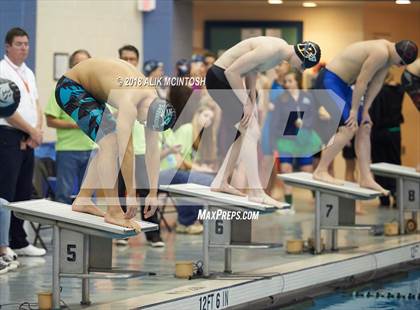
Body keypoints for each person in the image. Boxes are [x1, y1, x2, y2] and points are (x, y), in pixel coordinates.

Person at [55, 58, 176, 231]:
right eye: (144, 121)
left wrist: (153, 192)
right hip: (70, 87)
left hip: (90, 91)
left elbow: (152, 150)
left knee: (108, 141)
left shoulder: (154, 103)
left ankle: (83, 199)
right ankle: (113, 209)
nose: (143, 124)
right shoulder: (130, 100)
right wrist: (131, 194)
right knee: (110, 143)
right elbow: (126, 149)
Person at [205, 37, 321, 206]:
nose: (302, 70)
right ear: (300, 55)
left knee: (244, 133)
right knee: (251, 131)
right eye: (304, 65)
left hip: (226, 79)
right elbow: (232, 72)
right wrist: (246, 102)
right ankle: (256, 192)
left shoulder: (279, 53)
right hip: (220, 78)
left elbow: (252, 71)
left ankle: (221, 181)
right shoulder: (272, 50)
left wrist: (251, 99)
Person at [313, 39, 418, 193]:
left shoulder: (389, 57)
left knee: (365, 126)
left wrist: (366, 110)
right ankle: (320, 170)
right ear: (398, 53)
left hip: (343, 86)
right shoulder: (380, 52)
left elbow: (376, 84)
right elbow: (362, 81)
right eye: (401, 62)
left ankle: (365, 177)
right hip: (329, 80)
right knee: (349, 127)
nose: (400, 66)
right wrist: (354, 111)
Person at [0, 27, 45, 257]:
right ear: (7, 46)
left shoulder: (29, 72)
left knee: (23, 191)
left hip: (28, 137)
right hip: (8, 135)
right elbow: (6, 109)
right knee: (6, 192)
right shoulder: (2, 70)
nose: (23, 48)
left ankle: (19, 240)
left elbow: (36, 103)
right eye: (18, 44)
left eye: (26, 43)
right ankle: (3, 244)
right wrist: (30, 130)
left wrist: (37, 130)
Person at [45, 49, 96, 204]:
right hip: (67, 151)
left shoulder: (94, 91)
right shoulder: (62, 90)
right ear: (71, 67)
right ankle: (62, 229)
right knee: (63, 196)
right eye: (77, 63)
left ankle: (87, 228)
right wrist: (75, 124)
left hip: (91, 150)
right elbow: (50, 120)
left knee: (88, 198)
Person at [159, 100, 217, 234]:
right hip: (164, 172)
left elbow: (190, 162)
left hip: (178, 172)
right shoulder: (187, 129)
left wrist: (202, 168)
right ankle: (186, 221)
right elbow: (179, 162)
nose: (208, 120)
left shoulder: (202, 135)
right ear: (197, 114)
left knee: (208, 178)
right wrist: (199, 169)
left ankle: (198, 218)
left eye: (211, 118)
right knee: (192, 180)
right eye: (205, 116)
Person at [272, 69, 321, 209]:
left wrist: (304, 124)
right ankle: (288, 204)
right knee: (286, 169)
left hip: (305, 138)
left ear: (297, 81)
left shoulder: (308, 97)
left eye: (290, 81)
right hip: (285, 138)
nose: (287, 84)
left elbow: (313, 117)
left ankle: (316, 199)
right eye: (286, 81)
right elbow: (276, 120)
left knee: (307, 169)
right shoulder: (281, 99)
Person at [370, 70, 405, 207]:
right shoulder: (400, 90)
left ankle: (384, 197)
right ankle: (397, 195)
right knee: (395, 163)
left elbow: (375, 114)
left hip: (379, 132)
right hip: (395, 131)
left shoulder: (379, 91)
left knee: (379, 164)